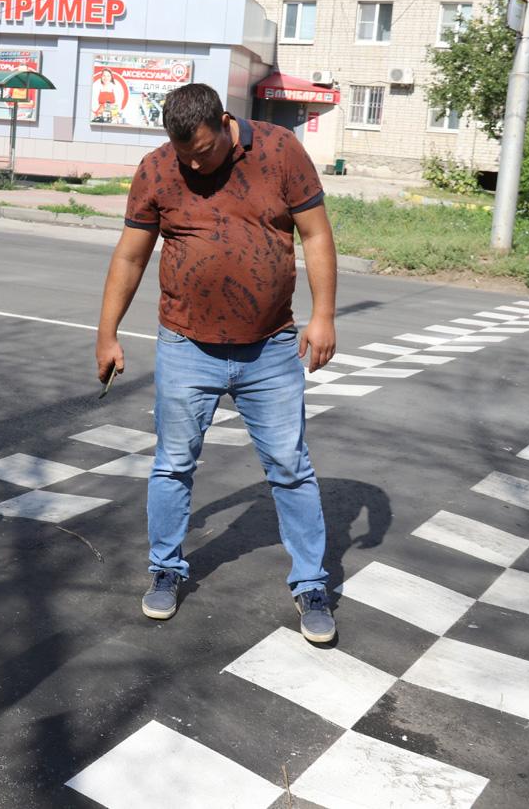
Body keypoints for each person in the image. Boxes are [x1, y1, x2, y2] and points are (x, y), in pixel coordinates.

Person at [94, 83, 339, 643]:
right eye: (183, 154)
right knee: (173, 464)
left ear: (225, 123)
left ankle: (310, 585)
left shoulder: (279, 151)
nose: (193, 163)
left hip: (271, 347)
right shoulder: (158, 169)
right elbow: (130, 255)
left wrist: (322, 317)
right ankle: (165, 570)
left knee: (289, 467)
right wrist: (106, 334)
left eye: (202, 151)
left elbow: (317, 234)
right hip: (186, 347)